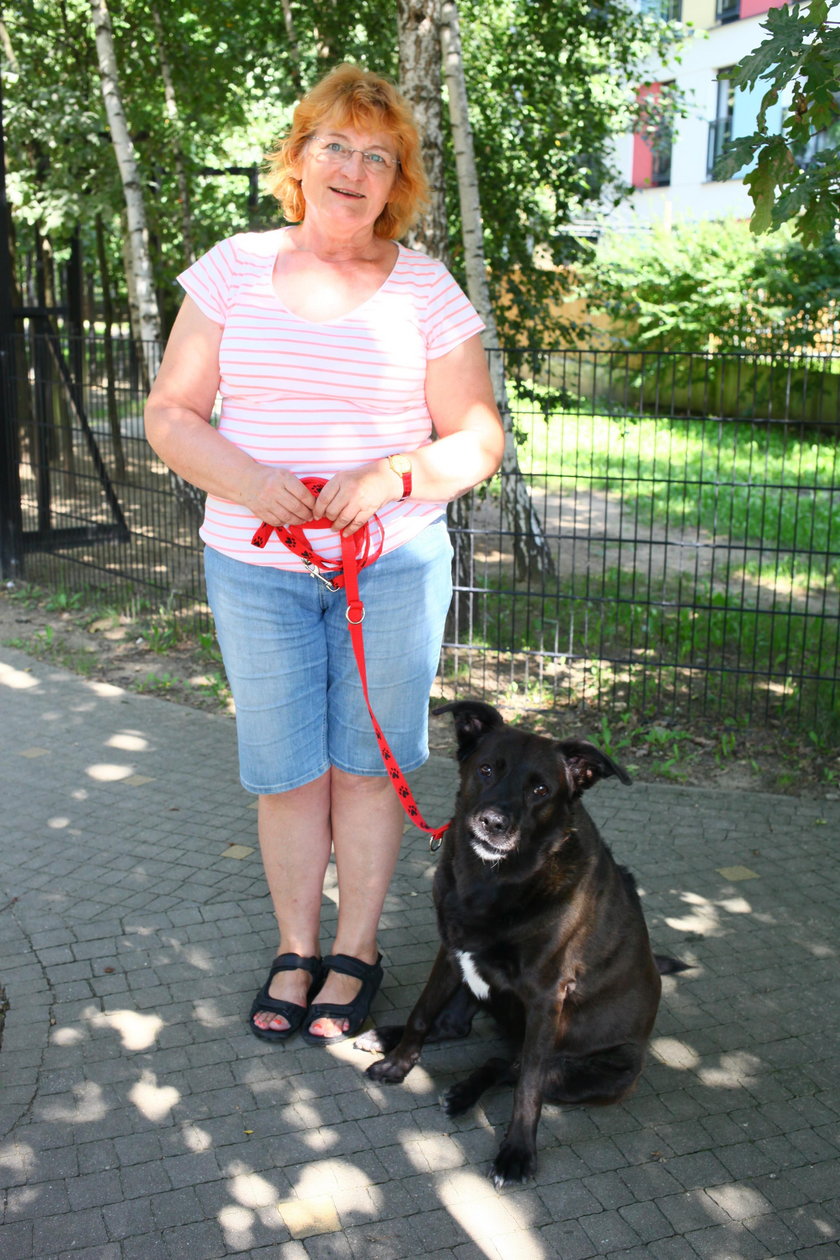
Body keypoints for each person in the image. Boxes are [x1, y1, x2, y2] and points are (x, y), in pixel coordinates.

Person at [144, 63, 504, 1047]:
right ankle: (296, 949)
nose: (352, 166)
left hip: (388, 569)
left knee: (366, 770)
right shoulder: (232, 270)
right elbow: (170, 414)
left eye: (376, 154)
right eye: (334, 145)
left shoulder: (428, 288)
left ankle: (359, 951)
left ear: (399, 182)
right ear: (299, 157)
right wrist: (250, 481)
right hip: (256, 568)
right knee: (287, 772)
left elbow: (477, 440)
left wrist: (392, 476)